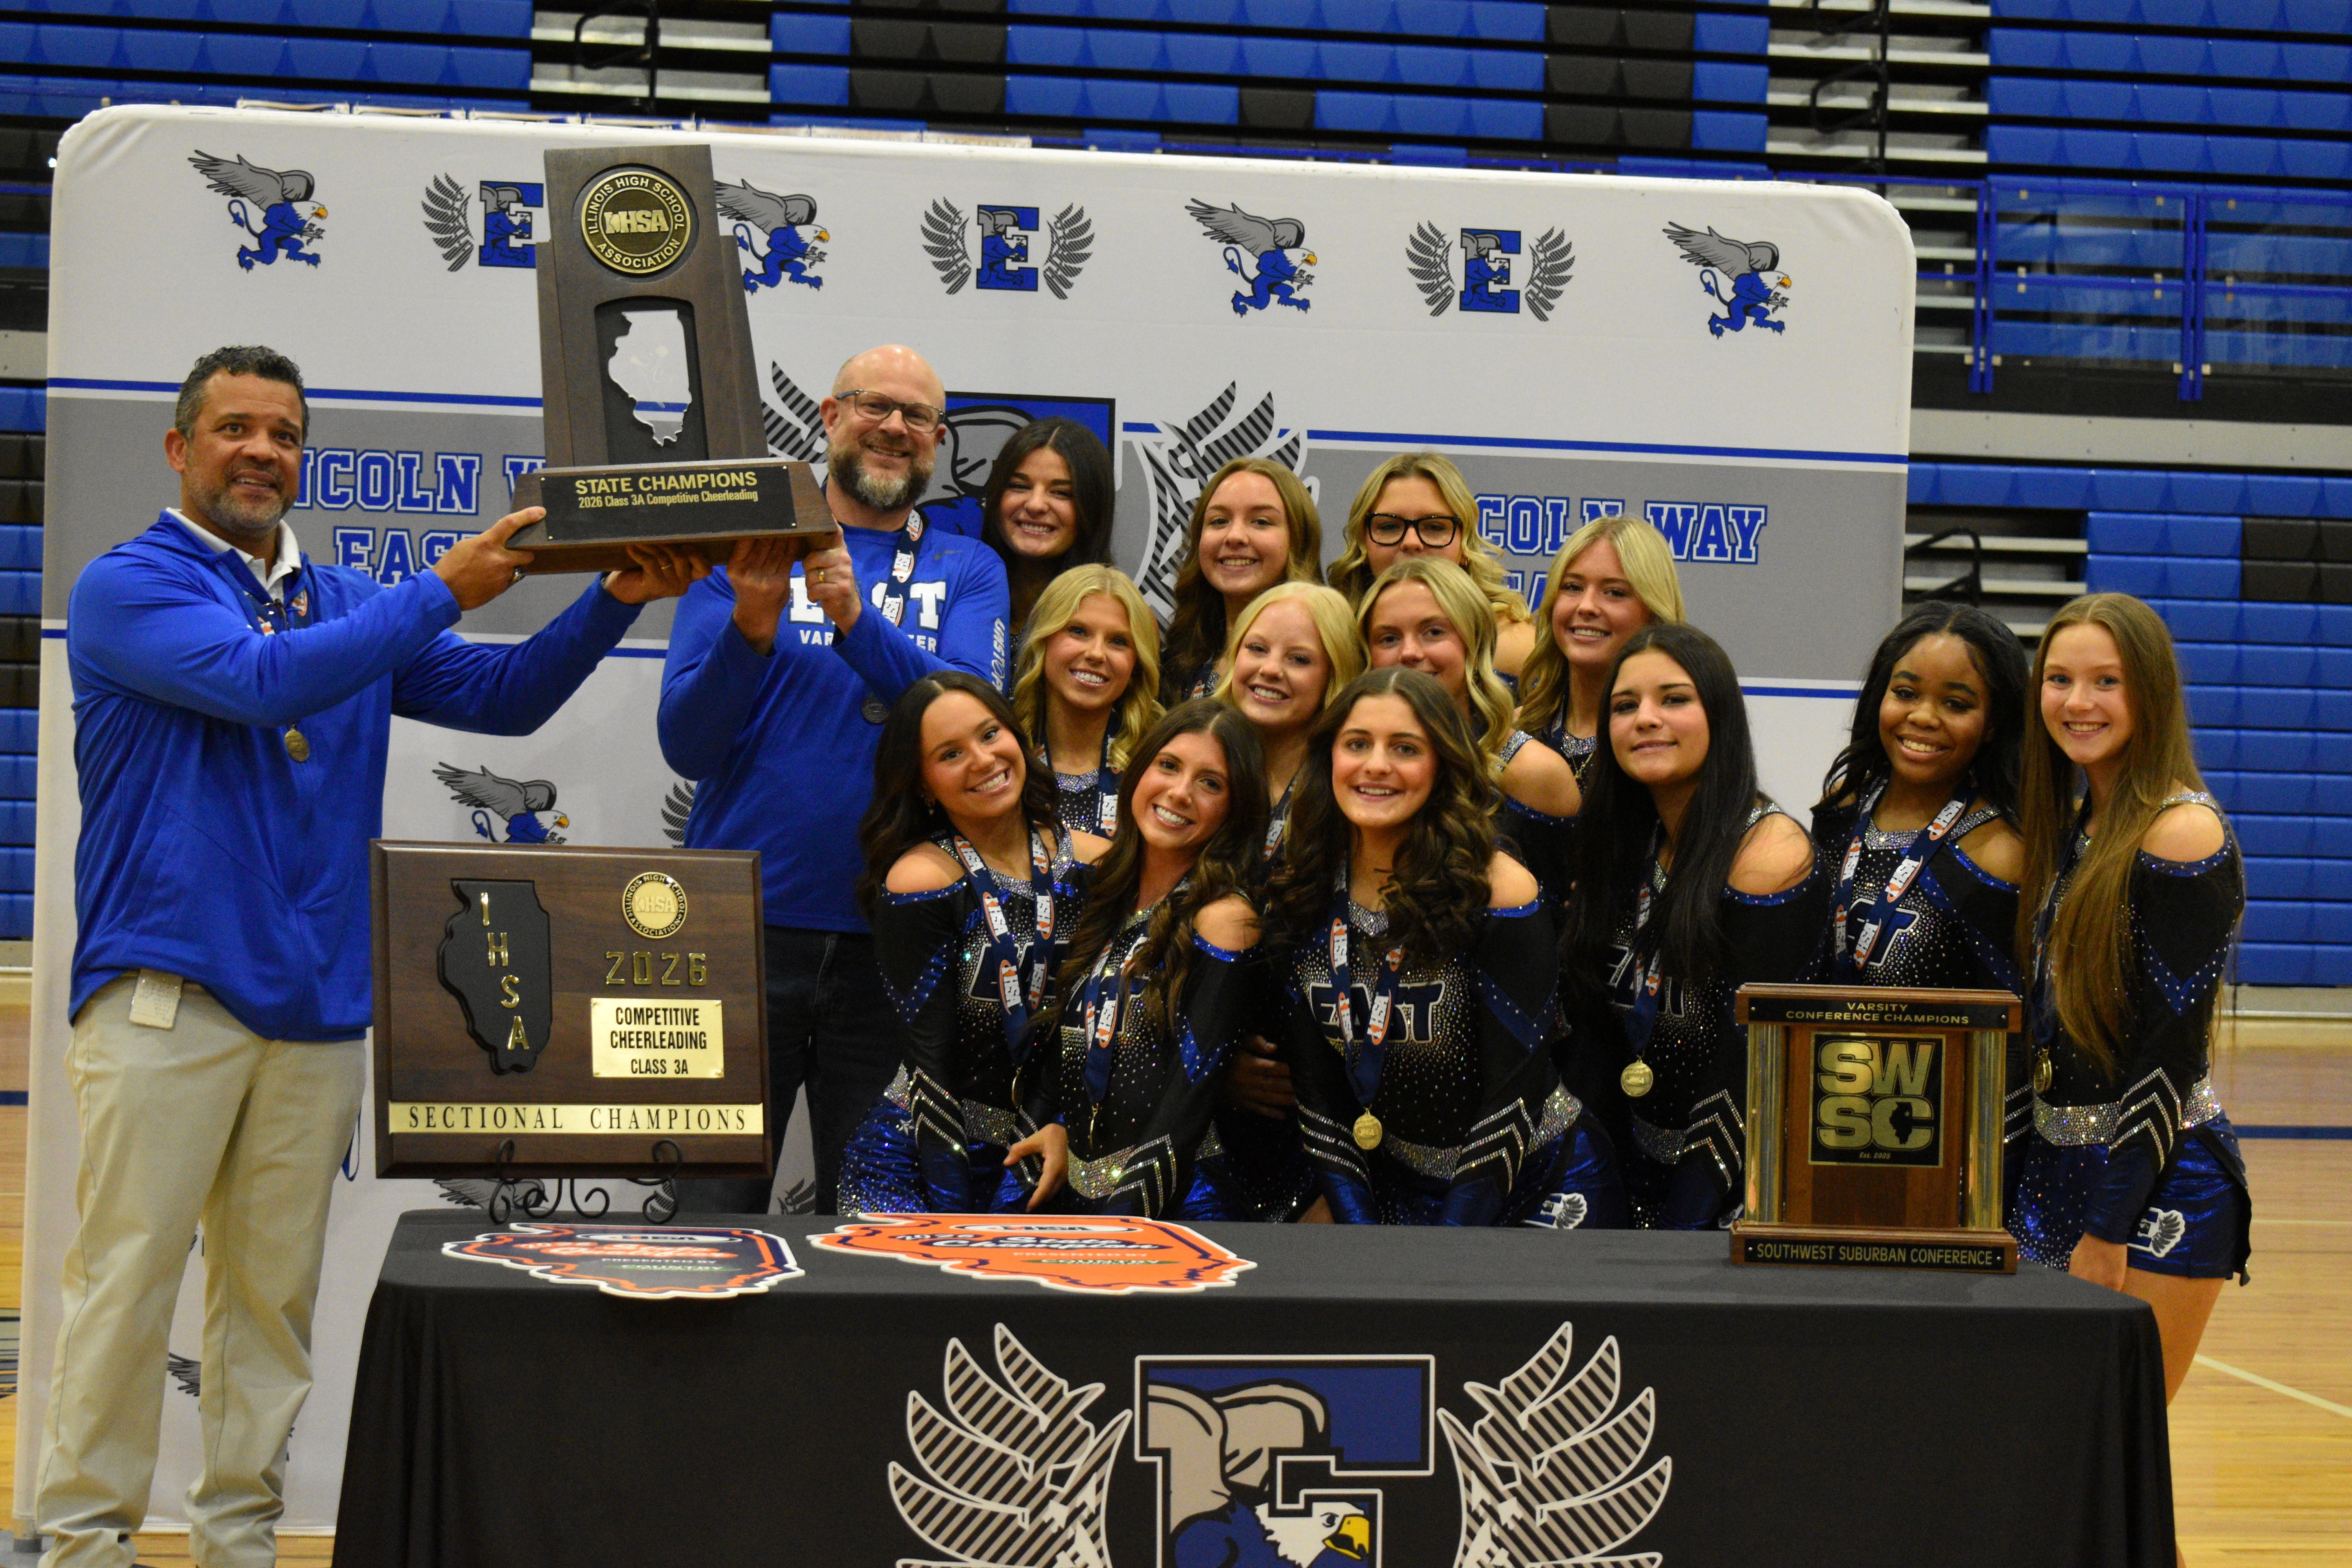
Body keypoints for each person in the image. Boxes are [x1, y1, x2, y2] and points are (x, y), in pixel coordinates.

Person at [44, 345, 704, 1568]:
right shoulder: (125, 585)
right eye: (236, 428)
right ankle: (79, 1544)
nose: (262, 451)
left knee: (271, 1303)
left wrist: (612, 596)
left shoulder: (347, 603)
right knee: (127, 1287)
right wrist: (441, 588)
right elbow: (255, 683)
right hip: (166, 988)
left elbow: (504, 703)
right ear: (180, 449)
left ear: (305, 457)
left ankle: (237, 1541)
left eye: (285, 433)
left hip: (313, 1004)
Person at [659, 344, 1011, 1213]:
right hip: (738, 933)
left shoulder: (971, 568)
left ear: (938, 441)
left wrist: (853, 620)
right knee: (706, 1221)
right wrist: (749, 626)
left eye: (918, 417)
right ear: (828, 416)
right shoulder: (740, 551)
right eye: (873, 405)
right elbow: (687, 745)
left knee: (876, 1225)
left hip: (895, 943)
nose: (895, 428)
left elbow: (968, 723)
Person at [1261, 668, 1626, 1227]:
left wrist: (1444, 1253)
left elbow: (1513, 1095)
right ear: (1328, 758)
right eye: (1357, 744)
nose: (1376, 765)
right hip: (1398, 1186)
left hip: (1540, 1181)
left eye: (1405, 748)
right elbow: (1321, 1099)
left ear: (1443, 765)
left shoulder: (1497, 887)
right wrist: (1361, 1233)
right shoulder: (1303, 888)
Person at [2010, 593, 2249, 1426]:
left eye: (2106, 681)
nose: (2078, 702)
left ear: (2149, 692)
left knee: (2108, 1456)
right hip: (2053, 1174)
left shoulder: (2179, 832)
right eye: (2061, 679)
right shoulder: (2078, 821)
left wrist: (2109, 1228)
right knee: (2056, 1462)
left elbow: (2169, 1054)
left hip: (2155, 1184)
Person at [1561, 622, 1823, 1230]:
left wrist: (1676, 1235)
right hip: (1632, 1174)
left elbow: (1749, 1080)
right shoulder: (1628, 843)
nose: (1646, 719)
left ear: (1721, 718)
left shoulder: (1768, 854)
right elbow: (1594, 1045)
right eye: (1625, 706)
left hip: (1739, 1194)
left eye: (1674, 700)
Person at [837, 673, 1103, 1216]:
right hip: (918, 1162)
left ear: (1019, 739)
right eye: (951, 753)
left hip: (1050, 1151)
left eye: (990, 735)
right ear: (923, 784)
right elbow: (929, 1069)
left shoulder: (1099, 864)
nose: (983, 760)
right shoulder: (922, 879)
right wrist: (956, 1223)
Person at [1009, 701, 1270, 1217]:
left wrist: (1118, 1230)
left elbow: (1184, 1109)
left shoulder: (1224, 920)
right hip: (1079, 1192)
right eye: (1169, 766)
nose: (1179, 792)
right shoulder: (1103, 892)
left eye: (1210, 783)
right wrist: (1058, 1125)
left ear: (1235, 810)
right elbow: (1076, 1046)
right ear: (1140, 771)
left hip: (1177, 1207)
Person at [1813, 604, 2031, 1154]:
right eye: (1906, 693)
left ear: (1994, 724)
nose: (1923, 716)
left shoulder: (2006, 850)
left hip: (1946, 1137)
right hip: (1828, 1109)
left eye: (1956, 704)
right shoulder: (1842, 808)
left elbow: (2026, 1030)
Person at [1359, 557, 1581, 901]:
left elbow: (1555, 934)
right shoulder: (1351, 767)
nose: (1409, 653)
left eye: (1434, 632)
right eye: (1388, 638)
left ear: (1475, 642)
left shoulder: (1533, 772)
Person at [1325, 452, 1537, 679]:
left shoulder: (1514, 646)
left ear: (1465, 547)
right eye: (1389, 527)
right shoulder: (1332, 641)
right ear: (1363, 545)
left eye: (1435, 527)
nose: (1411, 543)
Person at [1515, 512, 1685, 785]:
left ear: (1654, 614)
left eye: (1615, 592)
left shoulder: (1669, 739)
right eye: (1573, 587)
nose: (1586, 606)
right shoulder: (1518, 730)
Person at [1210, 581, 1365, 853]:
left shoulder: (1349, 797)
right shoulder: (1191, 759)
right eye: (1257, 649)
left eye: (1299, 659)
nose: (1271, 669)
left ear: (1334, 677)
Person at [1008, 565, 1161, 841]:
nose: (1096, 654)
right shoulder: (999, 745)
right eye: (1078, 631)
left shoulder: (1160, 759)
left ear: (1137, 663)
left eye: (1119, 641)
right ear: (1043, 640)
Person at [1157, 457, 1321, 704]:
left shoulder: (1330, 657)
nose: (1235, 537)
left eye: (1261, 522)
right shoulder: (1178, 667)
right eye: (1219, 521)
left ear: (1298, 540)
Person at [978, 417, 1116, 632]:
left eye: (1061, 493)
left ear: (1092, 508)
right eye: (1020, 486)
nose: (1035, 505)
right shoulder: (954, 600)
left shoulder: (1120, 618)